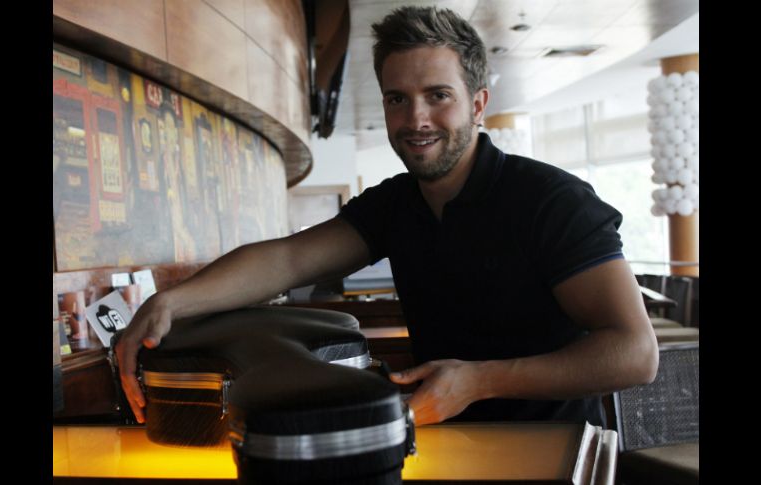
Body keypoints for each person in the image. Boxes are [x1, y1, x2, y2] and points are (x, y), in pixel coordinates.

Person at [116, 6, 658, 428]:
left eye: (437, 96)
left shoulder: (551, 199)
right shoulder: (398, 202)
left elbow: (634, 353)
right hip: (439, 441)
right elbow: (287, 258)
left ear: (477, 104)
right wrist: (170, 301)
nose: (416, 118)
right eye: (397, 99)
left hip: (558, 449)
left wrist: (480, 381)